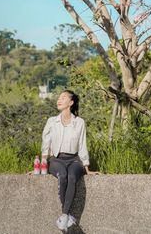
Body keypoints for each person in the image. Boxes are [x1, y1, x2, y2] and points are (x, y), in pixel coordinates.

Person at [41, 89, 100, 232]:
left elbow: (82, 144)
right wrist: (41, 167)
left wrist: (86, 167)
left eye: (63, 98)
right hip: (56, 160)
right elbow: (46, 144)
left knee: (72, 176)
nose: (58, 100)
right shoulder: (51, 121)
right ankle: (67, 217)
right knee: (63, 176)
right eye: (58, 98)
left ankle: (64, 217)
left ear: (71, 103)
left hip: (74, 160)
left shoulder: (79, 122)